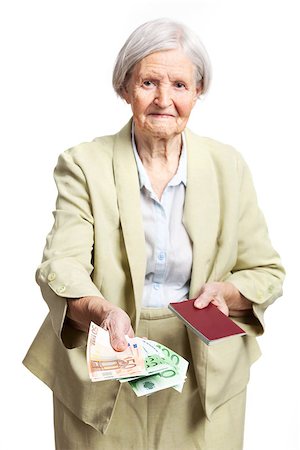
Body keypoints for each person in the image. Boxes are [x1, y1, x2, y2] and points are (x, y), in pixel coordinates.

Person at [23, 18, 285, 450]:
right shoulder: (83, 164)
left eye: (180, 85)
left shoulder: (229, 166)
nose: (164, 99)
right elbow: (62, 263)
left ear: (198, 91)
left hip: (204, 369)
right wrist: (103, 311)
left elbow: (264, 269)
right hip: (105, 359)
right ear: (125, 88)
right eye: (149, 82)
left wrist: (227, 294)